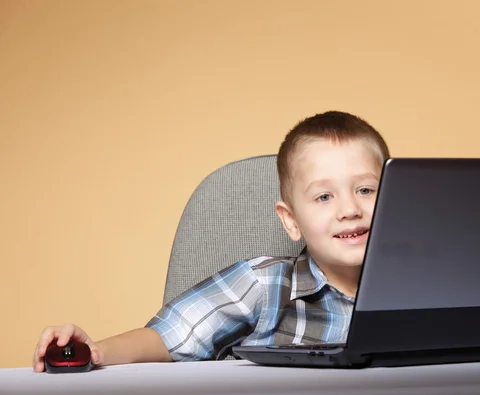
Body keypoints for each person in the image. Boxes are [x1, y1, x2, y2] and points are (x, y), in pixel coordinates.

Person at [32, 110, 391, 371]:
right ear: (291, 221)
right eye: (324, 197)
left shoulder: (432, 284)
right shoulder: (263, 283)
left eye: (365, 190)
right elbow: (167, 338)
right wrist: (94, 350)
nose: (349, 209)